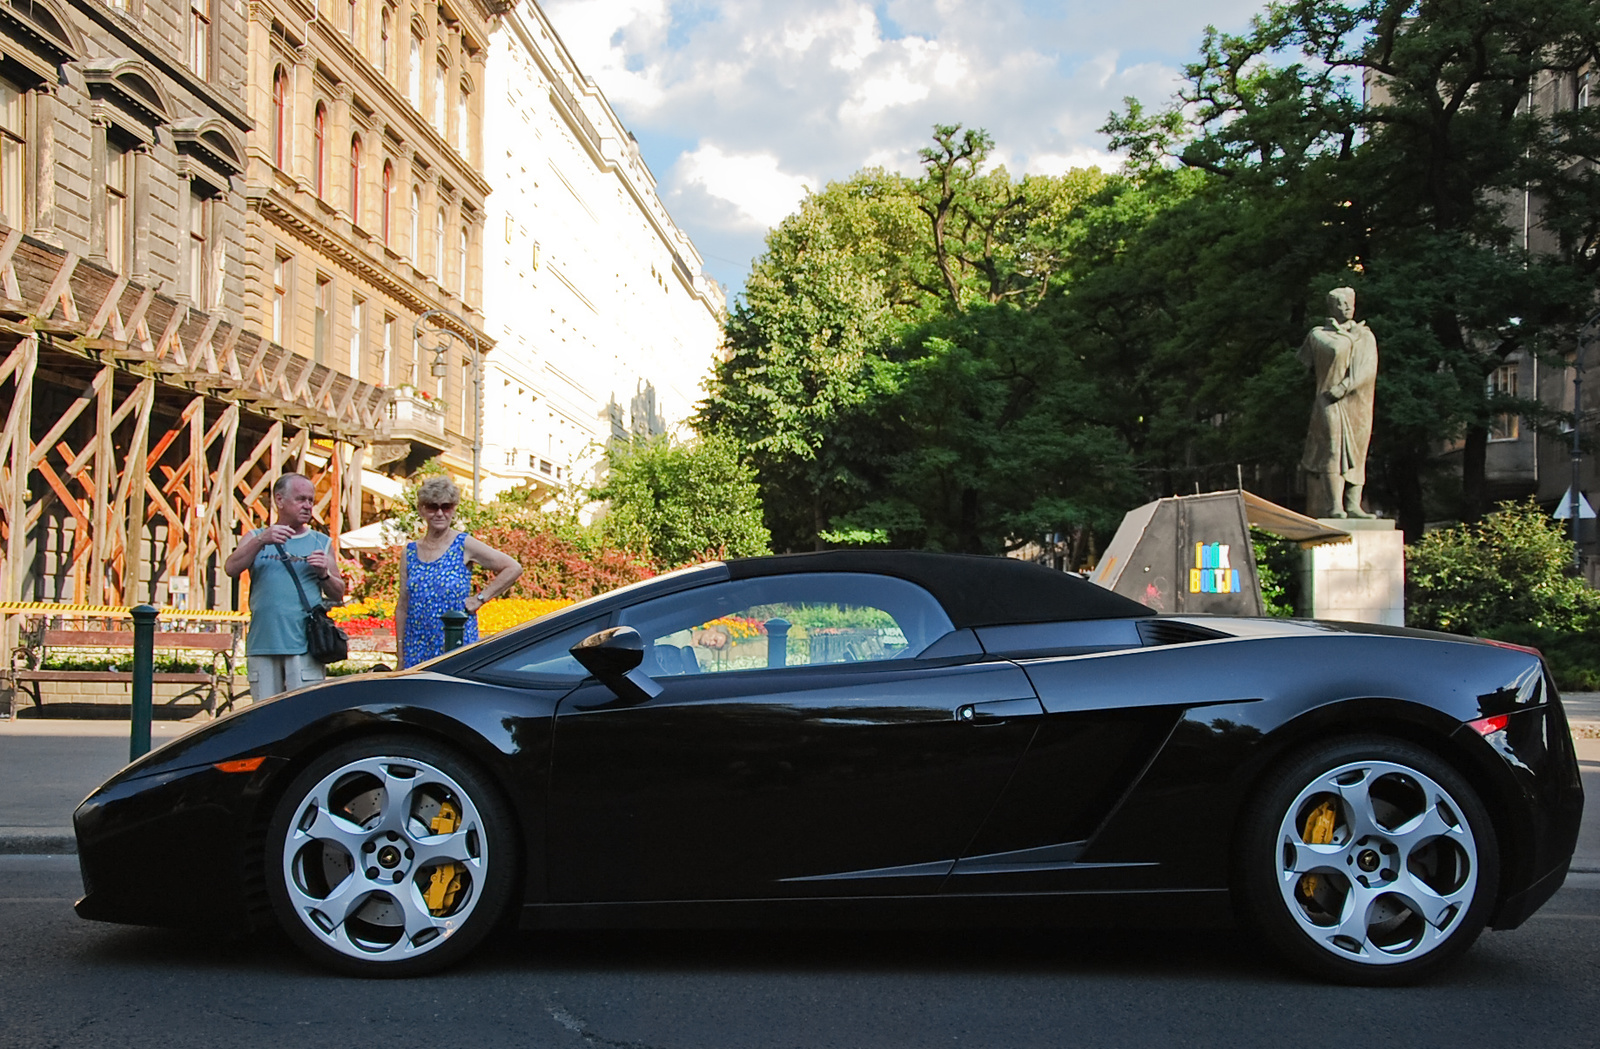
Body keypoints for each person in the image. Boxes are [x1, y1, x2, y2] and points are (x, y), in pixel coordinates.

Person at [223, 472, 347, 700]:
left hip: (304, 646)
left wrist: (324, 573)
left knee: (305, 714)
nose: (308, 506)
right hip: (263, 644)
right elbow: (231, 568)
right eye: (301, 499)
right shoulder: (256, 536)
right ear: (279, 500)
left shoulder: (321, 541)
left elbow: (339, 593)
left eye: (311, 500)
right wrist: (261, 541)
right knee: (264, 716)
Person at [396, 477, 523, 667]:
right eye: (432, 507)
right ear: (422, 509)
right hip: (417, 648)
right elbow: (403, 606)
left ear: (453, 509)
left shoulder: (463, 544)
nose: (439, 513)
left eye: (446, 507)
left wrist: (480, 599)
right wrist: (400, 655)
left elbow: (513, 567)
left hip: (455, 646)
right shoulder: (410, 552)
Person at [1299, 286, 1378, 519]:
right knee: (1332, 449)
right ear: (1331, 306)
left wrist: (1345, 386)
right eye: (1341, 303)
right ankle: (1335, 506)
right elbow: (1311, 361)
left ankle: (1353, 505)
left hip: (1359, 403)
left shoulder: (1365, 335)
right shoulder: (1318, 335)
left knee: (1359, 452)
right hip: (1329, 401)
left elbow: (1368, 369)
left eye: (1349, 303)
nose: (1347, 307)